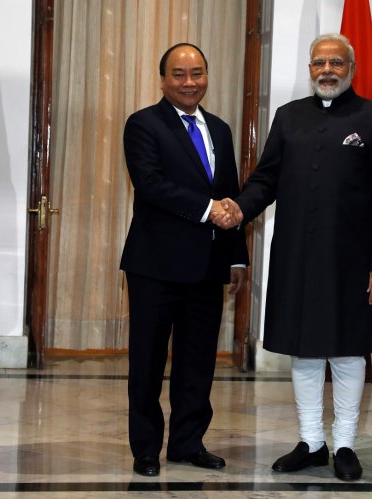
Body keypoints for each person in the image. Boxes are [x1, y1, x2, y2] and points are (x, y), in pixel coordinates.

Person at [217, 33, 372, 481]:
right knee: (302, 351)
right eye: (319, 62)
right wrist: (241, 207)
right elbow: (266, 179)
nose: (327, 70)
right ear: (309, 68)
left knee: (346, 352)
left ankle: (344, 444)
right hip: (296, 257)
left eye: (336, 63)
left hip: (352, 261)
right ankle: (311, 441)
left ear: (351, 70)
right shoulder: (288, 117)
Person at [121, 42, 249, 477]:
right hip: (154, 267)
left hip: (209, 266)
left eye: (197, 73)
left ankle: (187, 443)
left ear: (207, 77)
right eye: (179, 74)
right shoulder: (143, 124)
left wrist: (237, 259)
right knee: (148, 362)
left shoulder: (221, 129)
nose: (189, 82)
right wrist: (206, 209)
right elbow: (151, 185)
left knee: (197, 363)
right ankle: (144, 449)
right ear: (163, 79)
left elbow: (230, 192)